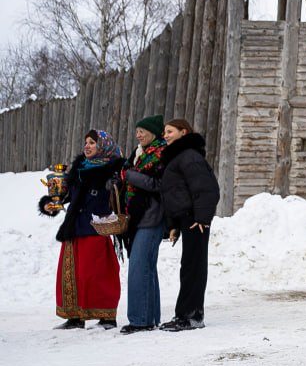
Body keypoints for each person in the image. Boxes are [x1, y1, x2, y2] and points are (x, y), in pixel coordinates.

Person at [39, 129, 125, 329]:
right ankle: (75, 317)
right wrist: (49, 204)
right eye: (86, 142)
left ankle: (106, 317)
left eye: (92, 143)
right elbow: (63, 196)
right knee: (71, 274)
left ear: (102, 145)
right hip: (74, 228)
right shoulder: (79, 169)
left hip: (96, 228)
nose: (87, 146)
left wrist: (114, 187)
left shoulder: (113, 170)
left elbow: (120, 197)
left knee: (96, 275)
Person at [143, 118, 221, 332]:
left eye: (170, 131)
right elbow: (176, 194)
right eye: (165, 132)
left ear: (183, 132)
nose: (165, 135)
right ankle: (184, 315)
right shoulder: (178, 157)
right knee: (188, 266)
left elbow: (207, 189)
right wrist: (175, 225)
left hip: (196, 220)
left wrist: (202, 218)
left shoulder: (190, 157)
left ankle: (192, 316)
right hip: (187, 218)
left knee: (193, 267)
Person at [119, 114, 167, 334]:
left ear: (153, 133)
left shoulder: (162, 153)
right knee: (146, 266)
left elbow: (158, 184)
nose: (138, 135)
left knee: (139, 265)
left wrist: (130, 176)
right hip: (140, 216)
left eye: (142, 131)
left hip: (153, 214)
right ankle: (150, 317)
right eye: (137, 131)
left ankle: (140, 320)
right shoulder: (139, 154)